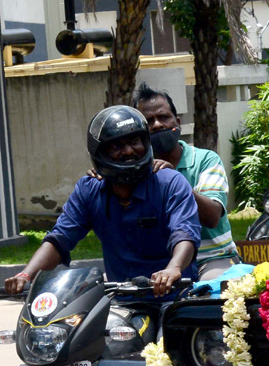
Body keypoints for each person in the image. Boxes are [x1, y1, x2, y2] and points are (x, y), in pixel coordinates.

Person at [4, 106, 200, 298]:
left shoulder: (170, 182)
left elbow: (185, 233)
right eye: (117, 146)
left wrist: (173, 269)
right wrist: (25, 274)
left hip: (174, 297)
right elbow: (60, 238)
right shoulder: (89, 189)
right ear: (99, 153)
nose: (129, 151)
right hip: (123, 303)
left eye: (134, 141)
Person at [133, 82, 240, 279]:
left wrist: (173, 181)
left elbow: (212, 217)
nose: (157, 125)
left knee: (216, 294)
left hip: (210, 260)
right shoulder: (135, 171)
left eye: (163, 117)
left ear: (178, 123)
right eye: (149, 121)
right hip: (160, 265)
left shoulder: (205, 160)